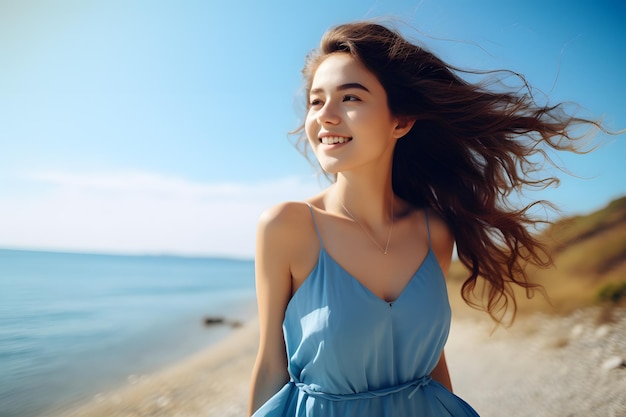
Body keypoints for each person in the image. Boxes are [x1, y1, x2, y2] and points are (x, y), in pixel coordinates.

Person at [248, 21, 604, 416]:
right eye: (316, 101)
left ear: (400, 121)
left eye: (350, 97)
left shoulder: (433, 231)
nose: (325, 116)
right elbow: (269, 366)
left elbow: (433, 367)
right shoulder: (288, 227)